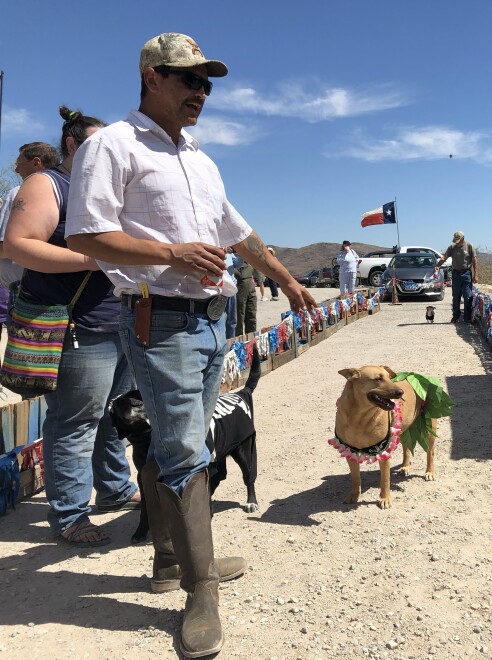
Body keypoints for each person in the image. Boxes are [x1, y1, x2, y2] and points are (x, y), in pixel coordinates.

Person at [65, 32, 317, 658]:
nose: (201, 93)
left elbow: (238, 230)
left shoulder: (198, 158)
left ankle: (169, 559)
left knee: (185, 437)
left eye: (207, 83)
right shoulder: (110, 146)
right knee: (182, 448)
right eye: (189, 80)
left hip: (212, 317)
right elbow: (87, 235)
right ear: (151, 76)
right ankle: (199, 590)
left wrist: (287, 280)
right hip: (160, 318)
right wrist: (171, 252)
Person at [5, 107, 139, 547]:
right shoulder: (48, 184)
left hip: (115, 319)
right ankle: (70, 515)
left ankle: (115, 489)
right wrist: (98, 259)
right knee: (75, 422)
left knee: (112, 416)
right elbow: (19, 246)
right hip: (75, 324)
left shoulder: (104, 191)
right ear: (72, 145)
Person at [0, 143, 61, 291]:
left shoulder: (19, 193)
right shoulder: (65, 191)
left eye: (19, 164)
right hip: (58, 286)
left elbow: (5, 248)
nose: (16, 170)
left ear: (36, 162)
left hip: (22, 291)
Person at [439, 230, 478, 323]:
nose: (456, 242)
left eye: (458, 240)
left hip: (466, 273)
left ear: (462, 239)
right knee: (456, 296)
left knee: (467, 296)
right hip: (456, 274)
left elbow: (474, 260)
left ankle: (467, 317)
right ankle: (455, 315)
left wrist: (476, 274)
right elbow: (444, 257)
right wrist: (437, 265)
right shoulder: (452, 247)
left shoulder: (469, 246)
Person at [233, 249, 257, 336]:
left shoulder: (247, 259)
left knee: (251, 315)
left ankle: (251, 341)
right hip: (239, 290)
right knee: (239, 317)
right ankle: (238, 342)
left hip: (251, 289)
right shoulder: (230, 260)